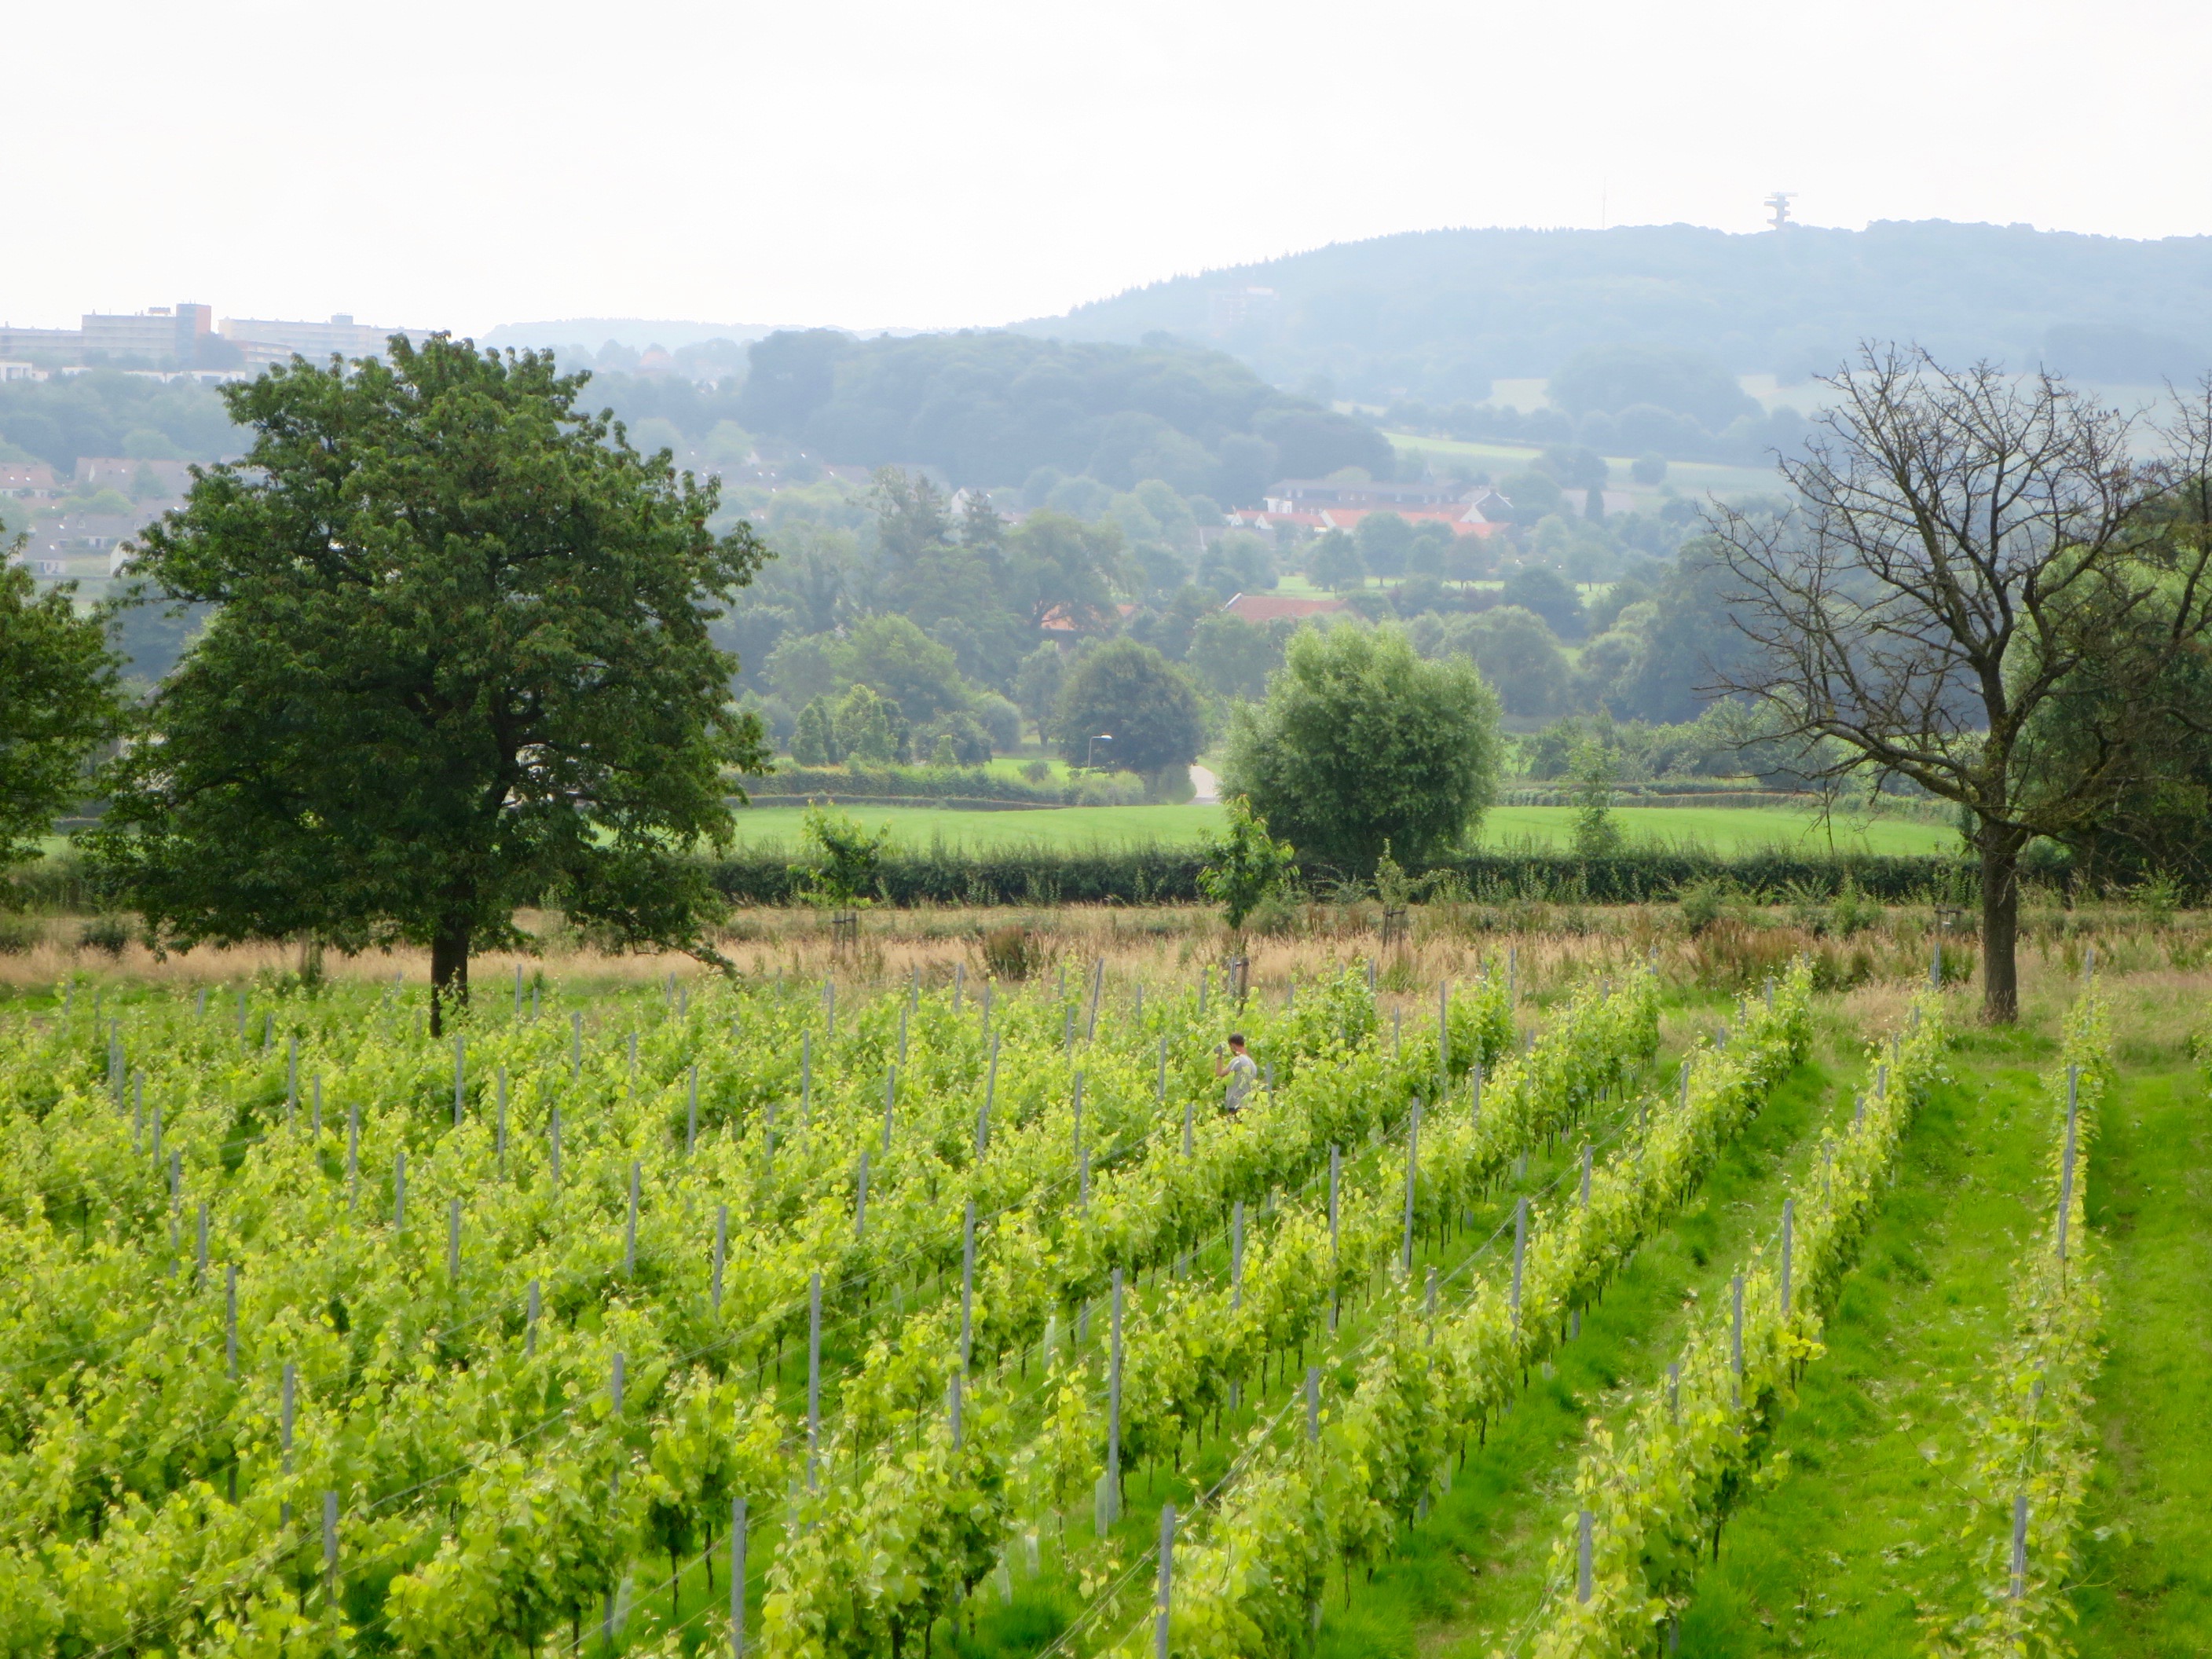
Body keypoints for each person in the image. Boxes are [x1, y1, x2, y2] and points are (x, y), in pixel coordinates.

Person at [1214, 1032, 1258, 1117]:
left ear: (1233, 1046)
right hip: (1248, 1103)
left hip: (1235, 1104)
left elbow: (1219, 1074)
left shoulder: (1238, 1061)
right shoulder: (1252, 1064)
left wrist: (1219, 1057)